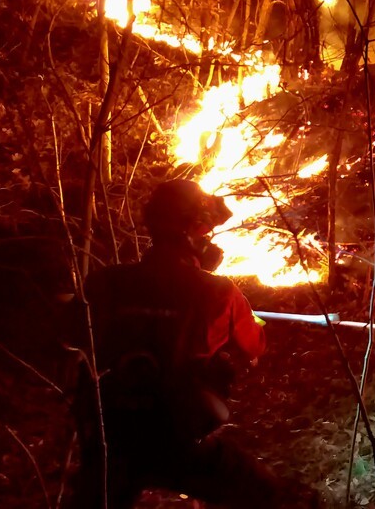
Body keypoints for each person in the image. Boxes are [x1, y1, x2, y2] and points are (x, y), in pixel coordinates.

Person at [68, 179, 280, 508]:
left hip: (108, 440)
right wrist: (249, 317)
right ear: (193, 231)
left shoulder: (102, 283)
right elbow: (254, 344)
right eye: (206, 232)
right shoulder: (218, 291)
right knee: (268, 495)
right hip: (178, 442)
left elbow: (70, 336)